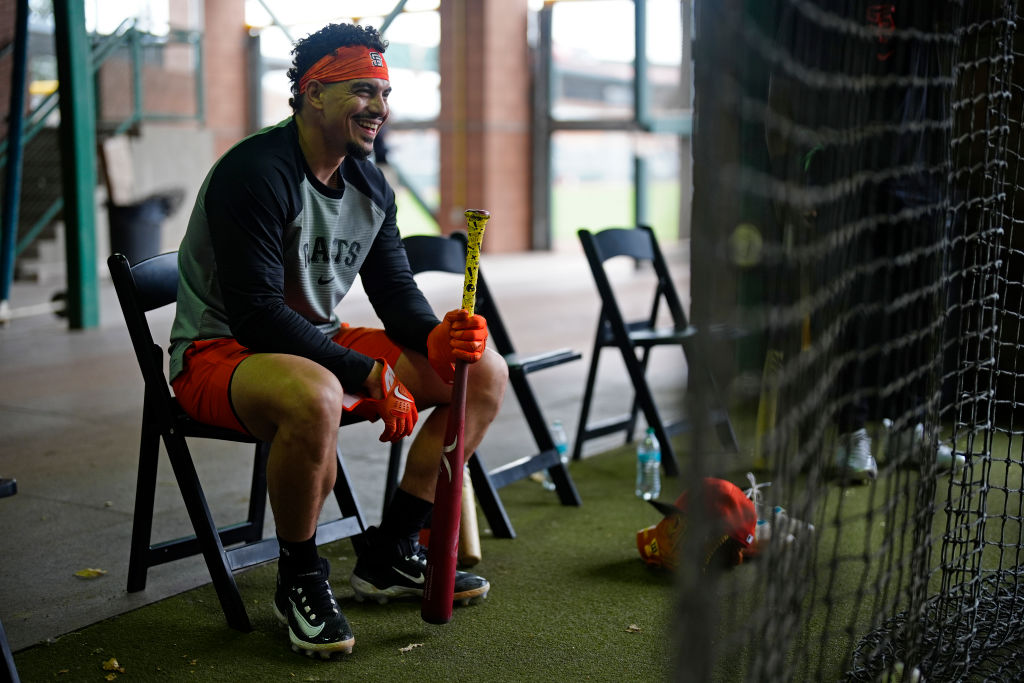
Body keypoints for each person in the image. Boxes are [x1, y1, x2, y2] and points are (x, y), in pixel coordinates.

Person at [167, 22, 508, 658]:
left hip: (315, 345)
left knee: (485, 372)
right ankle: (299, 576)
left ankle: (390, 549)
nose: (379, 107)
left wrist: (443, 336)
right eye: (362, 91)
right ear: (312, 93)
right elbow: (257, 316)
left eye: (384, 92)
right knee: (320, 392)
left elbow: (397, 297)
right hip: (220, 354)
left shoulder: (369, 182)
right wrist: (368, 374)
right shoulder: (256, 171)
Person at [765, 2, 961, 483]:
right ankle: (851, 432)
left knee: (917, 302)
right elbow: (784, 87)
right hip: (842, 173)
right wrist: (793, 177)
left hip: (912, 173)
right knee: (852, 308)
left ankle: (911, 425)